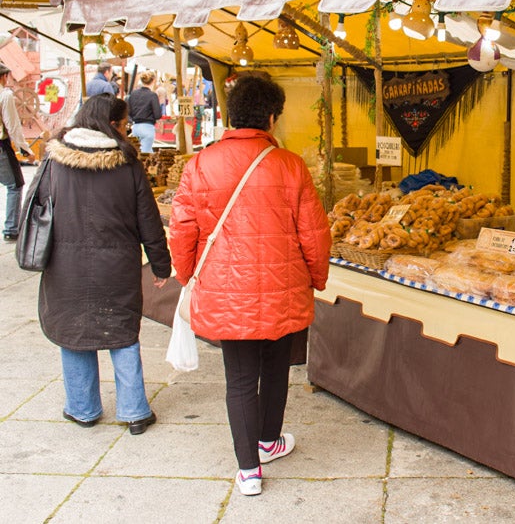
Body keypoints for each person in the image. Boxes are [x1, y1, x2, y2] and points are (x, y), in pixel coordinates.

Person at [169, 73, 331, 497]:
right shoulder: (291, 165)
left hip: (225, 289)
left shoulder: (199, 164)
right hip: (284, 285)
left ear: (228, 115)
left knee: (239, 378)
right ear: (272, 118)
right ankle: (269, 441)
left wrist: (189, 277)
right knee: (277, 368)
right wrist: (316, 278)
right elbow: (315, 232)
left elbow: (182, 231)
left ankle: (249, 472)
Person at [38, 93, 170, 434]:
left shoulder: (54, 160)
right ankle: (134, 411)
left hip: (64, 266)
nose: (127, 131)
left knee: (73, 332)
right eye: (124, 124)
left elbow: (37, 211)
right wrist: (160, 265)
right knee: (122, 333)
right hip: (118, 267)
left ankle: (83, 409)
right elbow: (149, 220)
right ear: (112, 124)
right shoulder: (127, 163)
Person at [0, 63, 36, 241]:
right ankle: (11, 229)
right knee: (15, 184)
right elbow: (12, 126)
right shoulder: (5, 95)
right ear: (4, 76)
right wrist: (25, 150)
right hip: (1, 146)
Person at [128, 70, 162, 153]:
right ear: (153, 80)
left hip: (135, 127)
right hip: (148, 127)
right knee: (146, 154)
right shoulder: (152, 95)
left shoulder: (133, 94)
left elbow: (128, 111)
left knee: (137, 152)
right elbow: (157, 115)